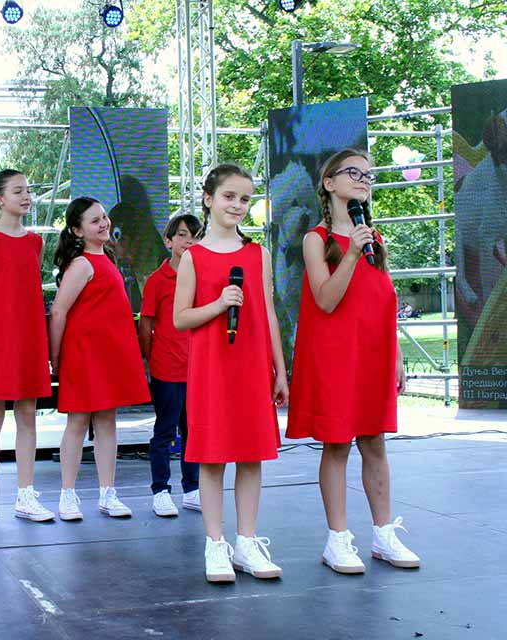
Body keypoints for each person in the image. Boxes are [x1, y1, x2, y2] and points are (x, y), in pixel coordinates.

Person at [287, 149, 420, 573]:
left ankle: (384, 534)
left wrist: (396, 356)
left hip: (373, 354)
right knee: (338, 442)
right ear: (329, 183)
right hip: (335, 356)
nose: (363, 180)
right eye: (353, 173)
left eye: (368, 175)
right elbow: (325, 300)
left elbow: (384, 302)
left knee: (375, 441)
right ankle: (338, 539)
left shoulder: (374, 239)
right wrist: (349, 253)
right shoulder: (316, 240)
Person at [173, 164, 288, 583]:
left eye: (244, 199)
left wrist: (279, 369)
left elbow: (268, 314)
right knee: (212, 456)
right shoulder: (194, 257)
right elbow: (181, 318)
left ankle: (247, 541)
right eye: (229, 196)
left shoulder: (258, 254)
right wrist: (220, 304)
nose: (237, 205)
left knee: (251, 454)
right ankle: (215, 543)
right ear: (208, 199)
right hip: (212, 368)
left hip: (252, 365)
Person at [49, 197, 151, 521]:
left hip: (107, 356)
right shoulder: (81, 265)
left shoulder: (105, 258)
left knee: (107, 422)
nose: (104, 223)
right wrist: (56, 357)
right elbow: (59, 311)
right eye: (95, 220)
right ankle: (67, 494)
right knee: (78, 422)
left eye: (104, 217)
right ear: (78, 231)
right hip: (83, 356)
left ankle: (108, 493)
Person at [0, 169, 54, 525]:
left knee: (28, 415)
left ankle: (25, 495)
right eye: (18, 191)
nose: (27, 196)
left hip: (31, 340)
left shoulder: (35, 242)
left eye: (28, 190)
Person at [139, 213, 202, 517]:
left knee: (193, 431)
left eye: (195, 236)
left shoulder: (203, 278)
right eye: (182, 235)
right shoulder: (157, 281)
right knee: (165, 431)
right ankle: (160, 490)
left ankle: (192, 489)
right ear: (168, 241)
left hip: (197, 369)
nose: (188, 241)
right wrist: (151, 360)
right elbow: (146, 324)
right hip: (166, 369)